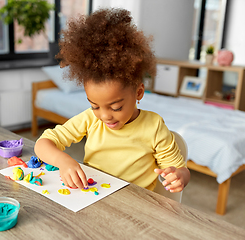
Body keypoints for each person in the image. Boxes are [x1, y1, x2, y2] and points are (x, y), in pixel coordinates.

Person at [34, 8, 190, 192]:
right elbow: (43, 144)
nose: (105, 116)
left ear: (139, 92)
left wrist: (179, 176)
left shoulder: (154, 126)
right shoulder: (90, 119)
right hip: (93, 197)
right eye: (94, 106)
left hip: (136, 204)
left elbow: (180, 169)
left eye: (116, 107)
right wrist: (63, 160)